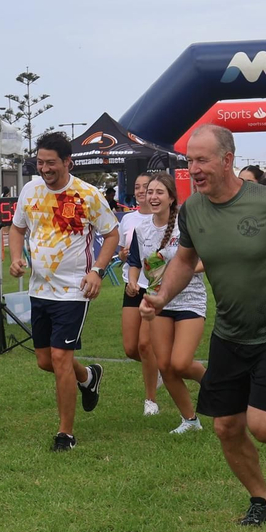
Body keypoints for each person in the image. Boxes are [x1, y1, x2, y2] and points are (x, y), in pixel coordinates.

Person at [143, 126, 266, 525]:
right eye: (189, 161)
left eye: (202, 160)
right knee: (226, 427)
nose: (194, 169)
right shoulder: (193, 210)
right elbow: (185, 260)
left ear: (227, 159)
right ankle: (263, 500)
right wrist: (163, 296)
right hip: (230, 333)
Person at [9, 132, 120, 451]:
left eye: (51, 163)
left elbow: (111, 234)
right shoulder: (30, 190)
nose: (44, 168)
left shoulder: (87, 195)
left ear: (68, 162)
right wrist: (17, 258)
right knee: (45, 360)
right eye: (40, 162)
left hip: (74, 290)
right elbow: (17, 228)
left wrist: (97, 270)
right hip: (39, 290)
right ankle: (88, 377)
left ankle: (65, 433)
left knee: (59, 358)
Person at [130, 172, 208, 434]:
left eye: (159, 192)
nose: (152, 196)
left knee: (181, 363)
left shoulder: (187, 224)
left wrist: (178, 271)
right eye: (149, 192)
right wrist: (156, 274)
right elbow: (147, 266)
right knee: (164, 365)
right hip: (159, 301)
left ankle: (217, 385)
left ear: (172, 197)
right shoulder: (141, 230)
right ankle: (190, 420)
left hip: (190, 299)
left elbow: (204, 261)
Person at [116, 170, 161, 416]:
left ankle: (150, 400)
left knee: (145, 345)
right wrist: (126, 259)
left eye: (148, 187)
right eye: (138, 186)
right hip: (132, 284)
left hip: (154, 287)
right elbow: (128, 253)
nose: (142, 191)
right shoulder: (129, 220)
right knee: (131, 349)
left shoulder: (168, 221)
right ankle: (160, 369)